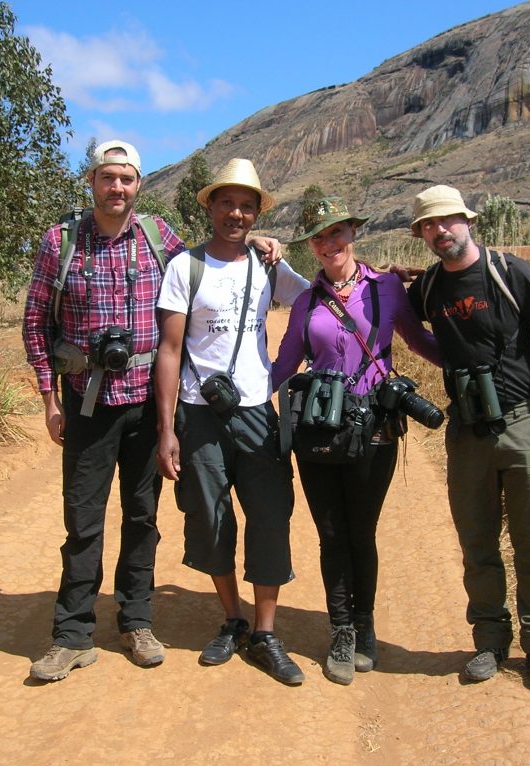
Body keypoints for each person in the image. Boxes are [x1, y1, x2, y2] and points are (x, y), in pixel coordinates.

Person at [22, 141, 280, 682]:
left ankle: (137, 621)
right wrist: (49, 398)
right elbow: (34, 322)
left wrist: (253, 240)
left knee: (143, 517)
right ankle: (72, 635)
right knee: (83, 518)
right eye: (108, 177)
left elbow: (214, 256)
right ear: (92, 180)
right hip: (87, 401)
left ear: (139, 185)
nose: (117, 188)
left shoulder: (159, 238)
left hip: (144, 401)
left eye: (128, 179)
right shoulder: (60, 241)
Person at [405, 184, 530, 687]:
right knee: (476, 542)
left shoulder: (509, 271)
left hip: (524, 421)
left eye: (447, 221)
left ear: (467, 221)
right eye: (428, 226)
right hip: (466, 429)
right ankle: (490, 642)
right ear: (420, 234)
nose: (439, 231)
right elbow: (391, 309)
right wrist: (395, 277)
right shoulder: (429, 288)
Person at [272, 197, 443, 685]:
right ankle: (341, 630)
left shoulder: (387, 287)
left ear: (353, 234)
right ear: (312, 245)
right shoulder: (305, 301)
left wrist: (464, 360)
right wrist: (237, 397)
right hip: (320, 431)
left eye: (337, 233)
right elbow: (285, 365)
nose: (329, 244)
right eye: (320, 237)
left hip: (374, 430)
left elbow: (419, 341)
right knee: (330, 535)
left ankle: (364, 627)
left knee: (360, 532)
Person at [154, 158, 310, 685]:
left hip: (256, 413)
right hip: (198, 415)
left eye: (247, 205)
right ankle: (234, 619)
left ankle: (265, 633)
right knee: (211, 517)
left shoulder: (268, 267)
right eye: (228, 203)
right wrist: (167, 428)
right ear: (211, 207)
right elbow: (170, 351)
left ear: (256, 213)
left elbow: (319, 302)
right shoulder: (184, 268)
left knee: (270, 515)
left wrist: (384, 287)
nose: (236, 213)